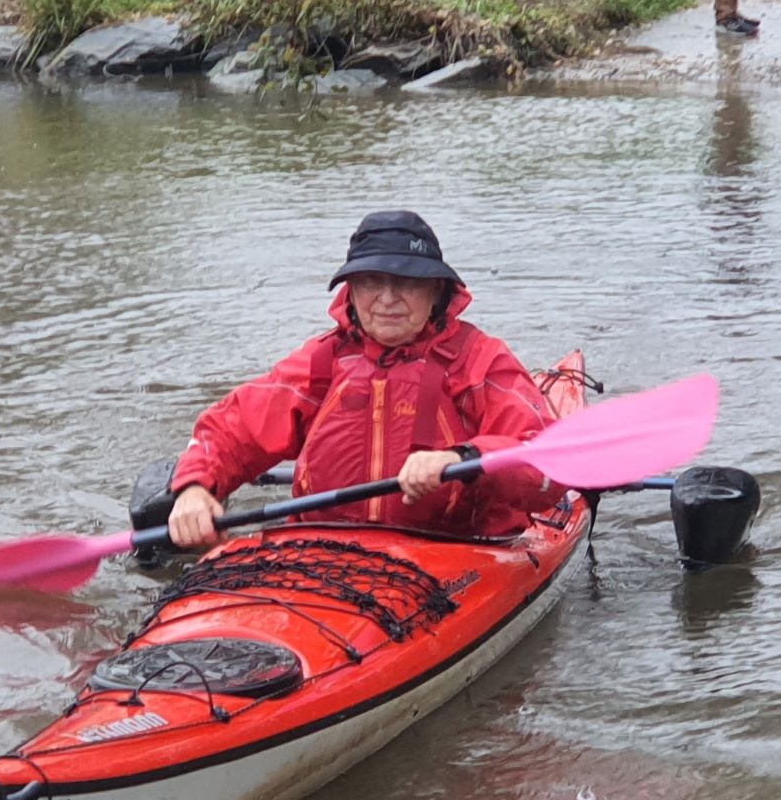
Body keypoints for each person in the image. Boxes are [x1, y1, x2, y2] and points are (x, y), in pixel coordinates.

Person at [166, 212, 560, 548]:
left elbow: (548, 464)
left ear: (436, 291)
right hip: (325, 548)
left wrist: (462, 459)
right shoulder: (322, 362)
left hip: (459, 548)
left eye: (407, 282)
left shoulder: (480, 362)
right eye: (371, 282)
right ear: (351, 293)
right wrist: (195, 489)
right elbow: (229, 429)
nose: (387, 298)